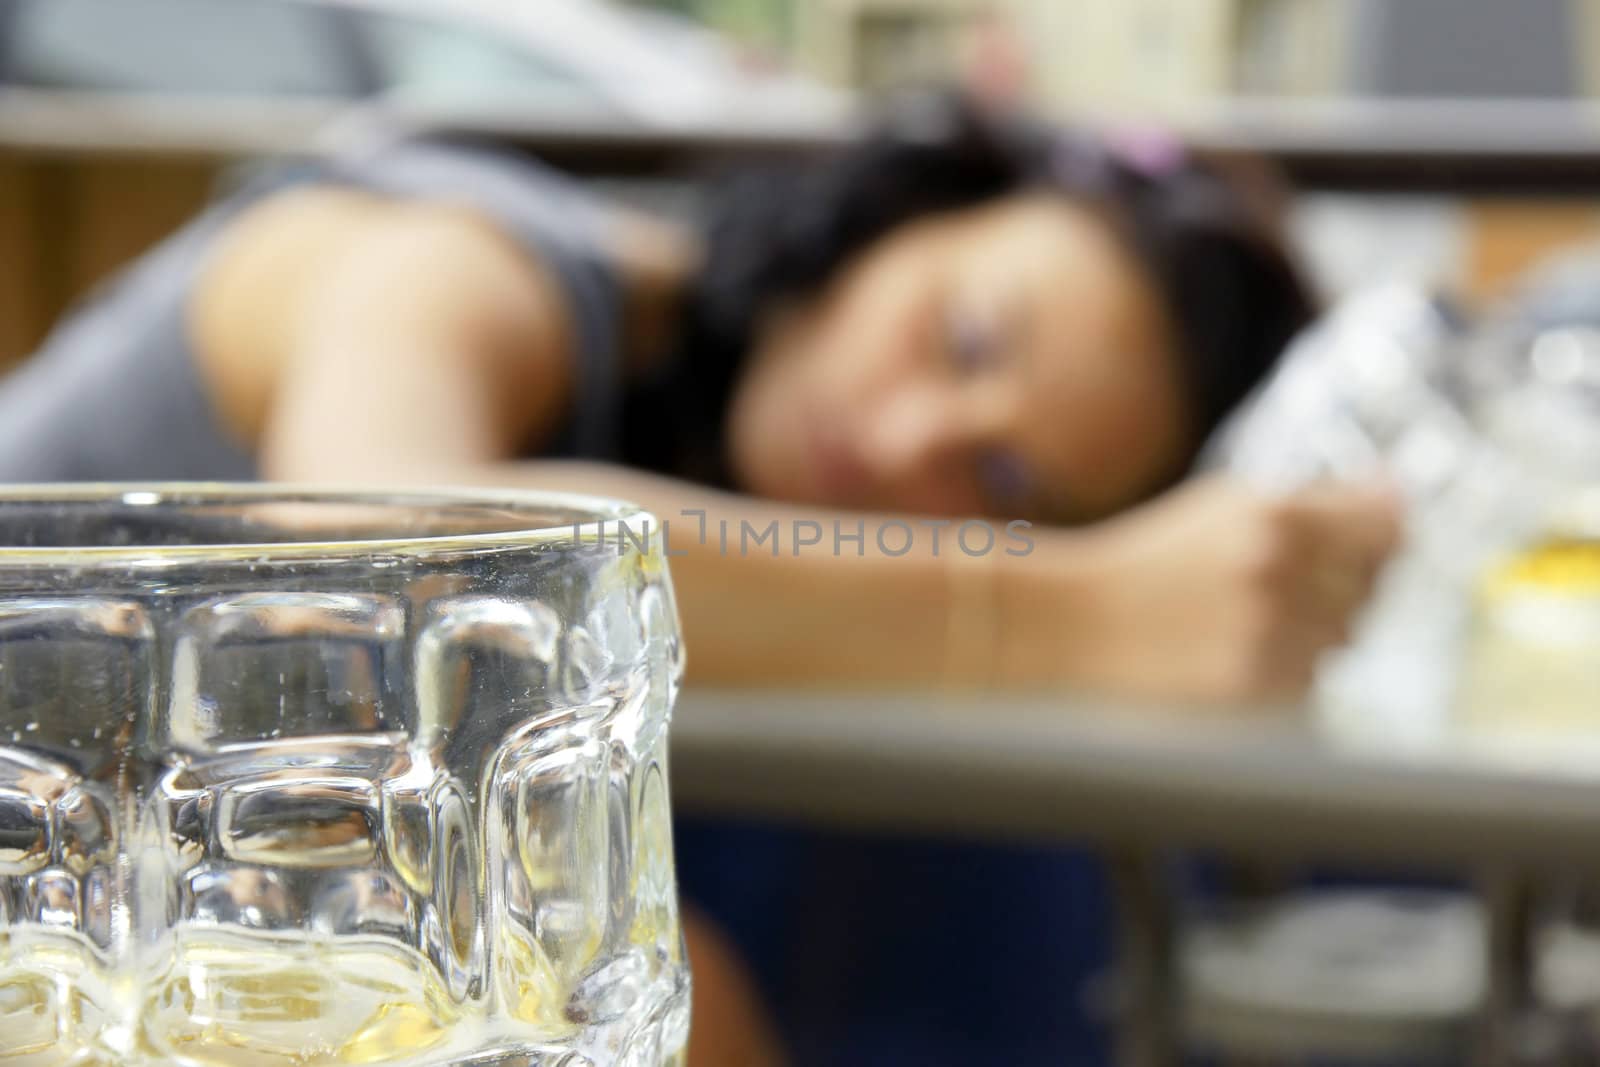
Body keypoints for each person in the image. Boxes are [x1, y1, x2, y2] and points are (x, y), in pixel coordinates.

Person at [0, 91, 1398, 1063]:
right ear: (891, 213)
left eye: (1008, 489)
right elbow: (374, 550)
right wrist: (1070, 602)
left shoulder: (723, 482)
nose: (912, 442)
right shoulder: (461, 250)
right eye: (965, 340)